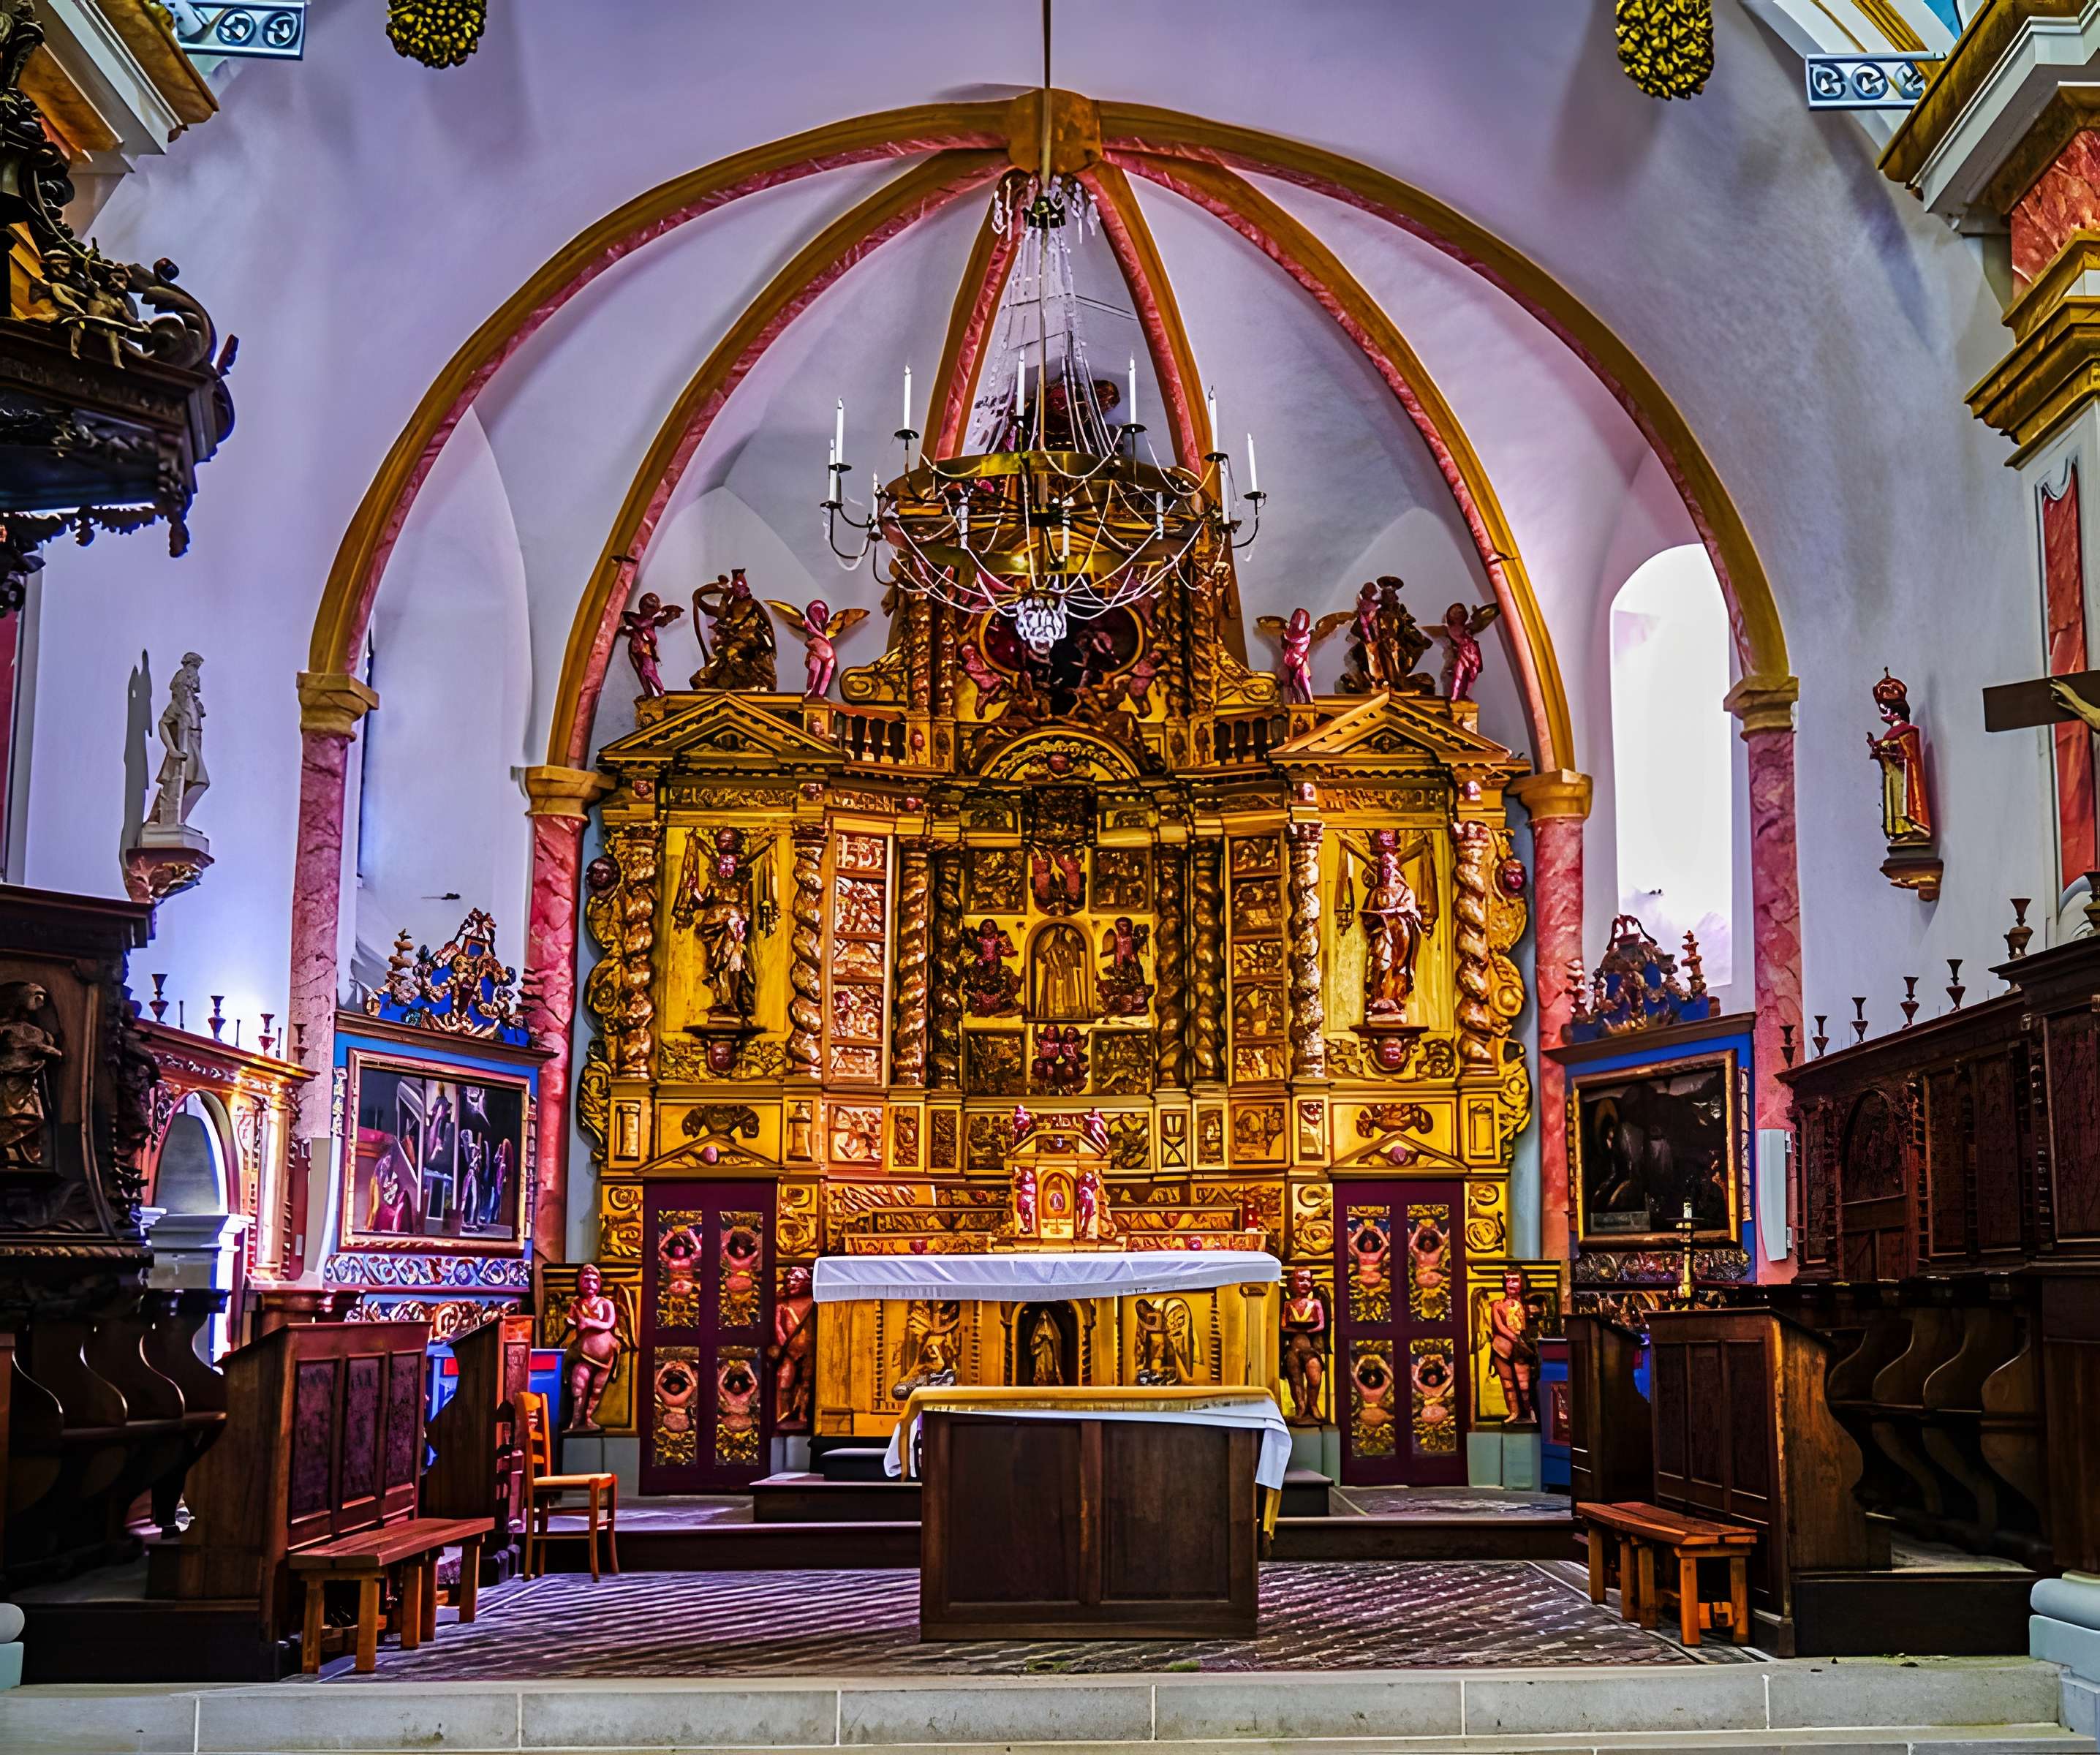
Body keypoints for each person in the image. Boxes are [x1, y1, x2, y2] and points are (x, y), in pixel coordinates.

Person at [561, 1264, 624, 1433]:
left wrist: (590, 1323)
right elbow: (572, 1322)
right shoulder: (577, 1303)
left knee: (596, 1390)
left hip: (604, 1357)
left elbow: (609, 1323)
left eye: (594, 1281)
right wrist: (571, 1324)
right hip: (583, 1354)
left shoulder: (606, 1303)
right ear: (579, 1282)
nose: (590, 1284)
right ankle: (575, 1423)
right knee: (578, 1387)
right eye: (586, 1280)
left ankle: (588, 1419)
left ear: (600, 1283)